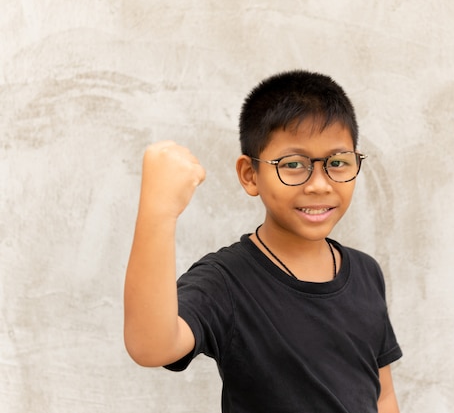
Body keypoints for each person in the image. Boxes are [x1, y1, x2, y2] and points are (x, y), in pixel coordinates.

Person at [123, 70, 402, 412]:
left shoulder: (365, 272)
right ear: (250, 174)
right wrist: (158, 212)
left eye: (338, 162)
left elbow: (382, 394)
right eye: (294, 164)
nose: (319, 184)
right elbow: (150, 346)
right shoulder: (225, 280)